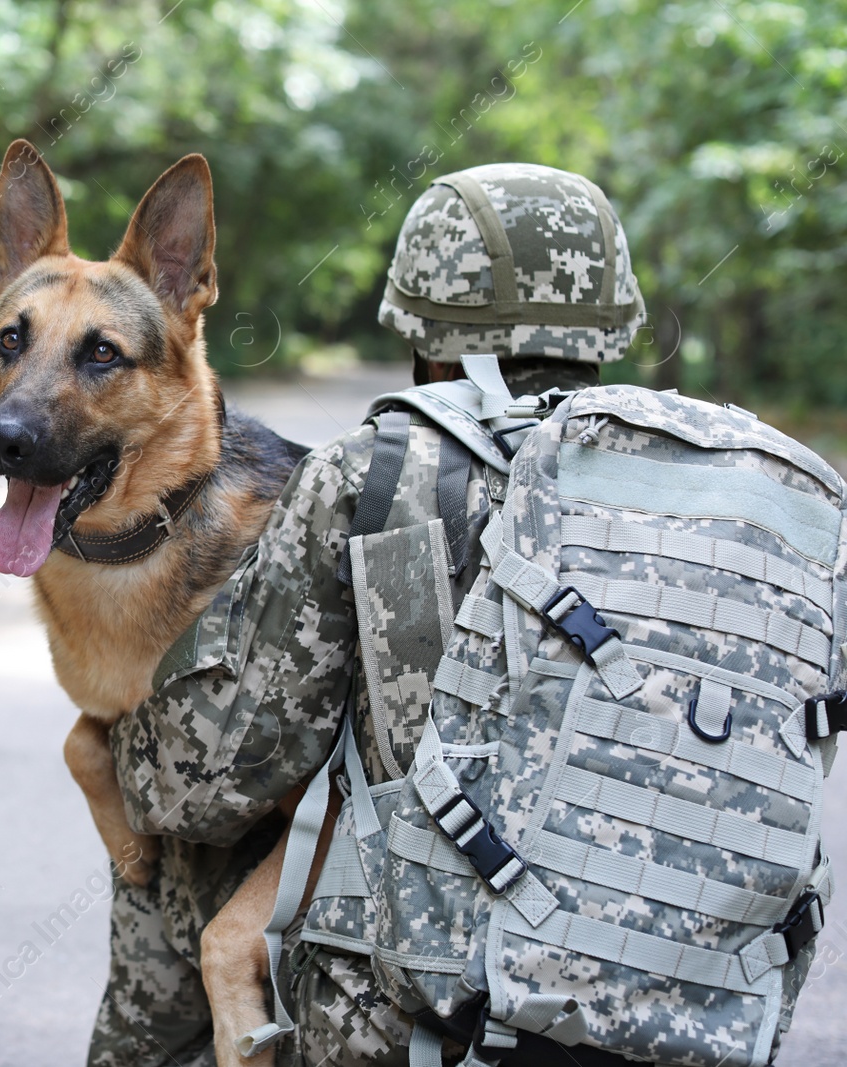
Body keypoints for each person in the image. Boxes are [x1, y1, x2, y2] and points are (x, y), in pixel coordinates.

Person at [87, 162, 647, 1067]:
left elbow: (210, 775)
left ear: (424, 330)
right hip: (682, 1000)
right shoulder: (743, 488)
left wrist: (114, 751)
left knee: (177, 851)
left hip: (426, 1006)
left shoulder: (374, 473)